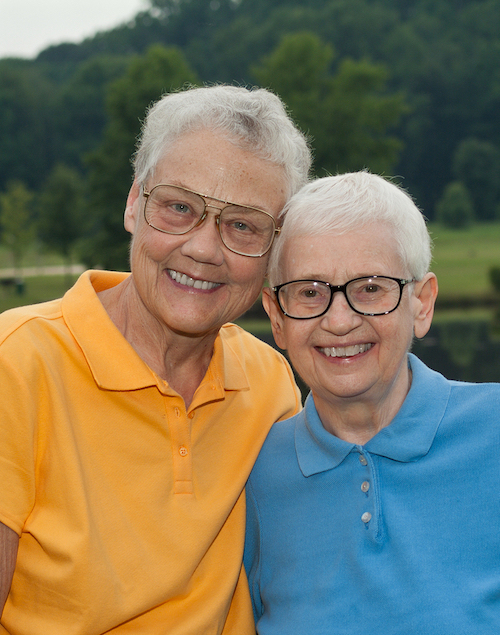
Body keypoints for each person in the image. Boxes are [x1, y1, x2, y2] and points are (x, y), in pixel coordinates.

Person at [0, 84, 311, 635]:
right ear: (133, 203)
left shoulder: (269, 382)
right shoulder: (18, 362)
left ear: (273, 250)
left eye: (242, 225)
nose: (203, 249)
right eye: (179, 208)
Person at [244, 171, 500, 634]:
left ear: (421, 304)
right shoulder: (253, 475)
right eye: (309, 293)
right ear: (276, 318)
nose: (339, 321)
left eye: (370, 288)